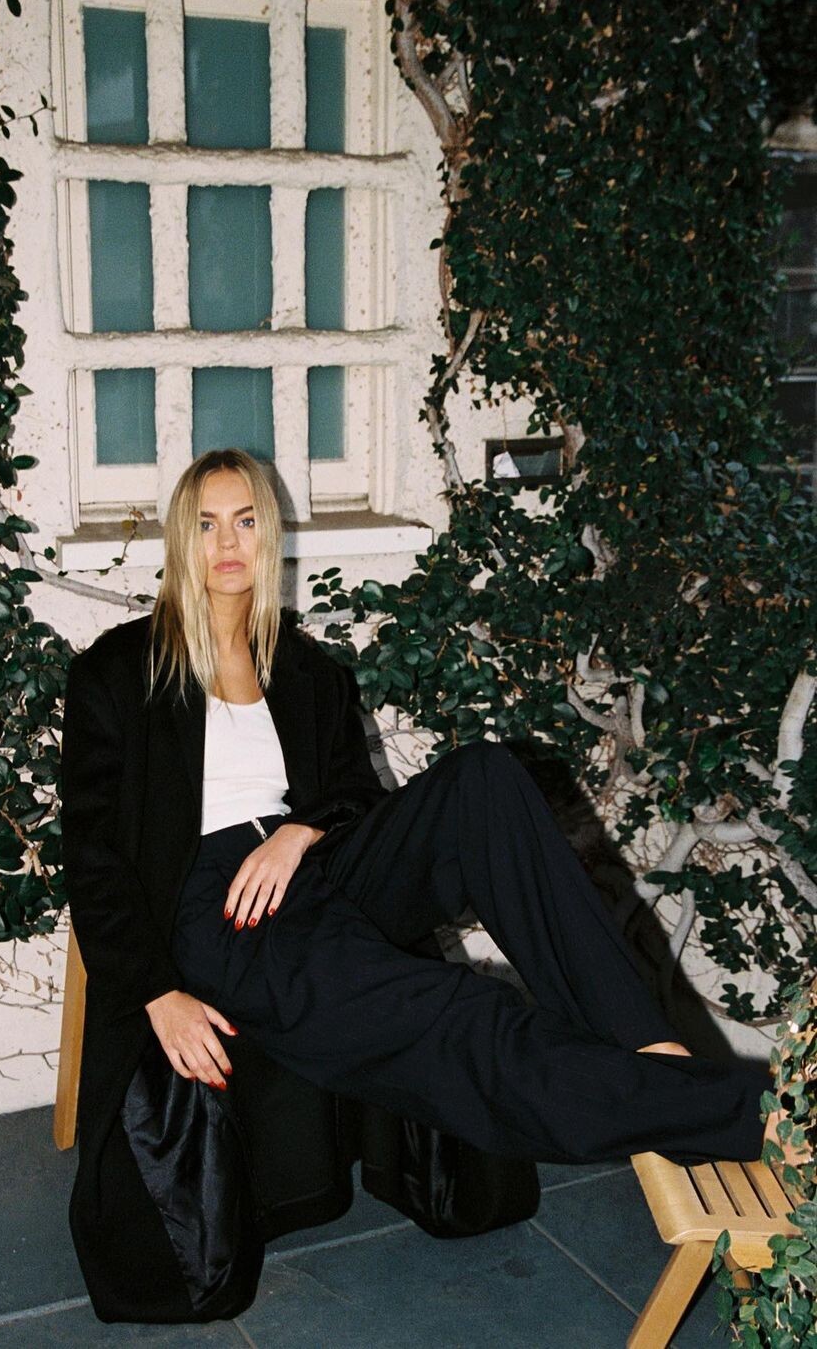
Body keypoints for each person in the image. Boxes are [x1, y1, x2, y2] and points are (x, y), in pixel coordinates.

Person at [60, 448, 780, 1265]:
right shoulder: (119, 672)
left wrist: (301, 832)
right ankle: (747, 1115)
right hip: (219, 906)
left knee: (485, 779)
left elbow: (354, 796)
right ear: (180, 540)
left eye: (246, 520)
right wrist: (156, 993)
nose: (227, 543)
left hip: (309, 865)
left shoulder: (305, 670)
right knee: (465, 1015)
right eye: (205, 524)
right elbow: (93, 853)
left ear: (269, 535)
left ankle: (650, 1047)